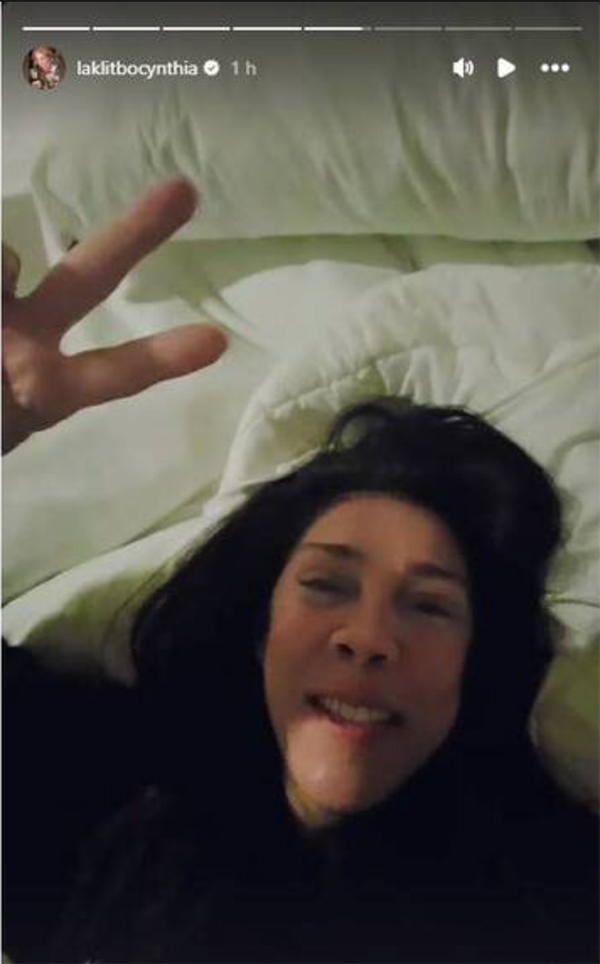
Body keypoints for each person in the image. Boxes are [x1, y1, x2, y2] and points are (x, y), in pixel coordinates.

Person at [3, 181, 598, 964]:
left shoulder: (558, 895)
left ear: (476, 664)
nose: (368, 637)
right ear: (259, 625)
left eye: (429, 605)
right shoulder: (85, 784)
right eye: (327, 585)